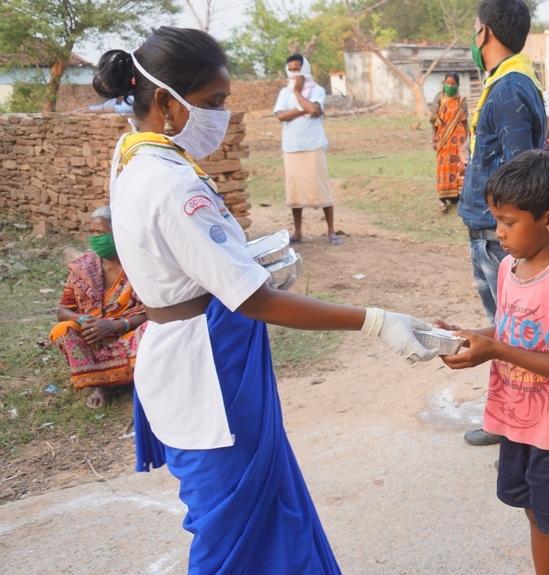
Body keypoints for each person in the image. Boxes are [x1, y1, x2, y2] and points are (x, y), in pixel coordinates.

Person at [92, 27, 438, 573]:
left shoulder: (134, 158)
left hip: (181, 348)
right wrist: (376, 321)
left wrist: (236, 261)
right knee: (232, 530)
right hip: (210, 369)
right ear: (165, 102)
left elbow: (180, 263)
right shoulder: (173, 185)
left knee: (252, 513)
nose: (221, 115)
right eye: (213, 103)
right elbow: (254, 301)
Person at [440, 150, 549, 575]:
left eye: (509, 222)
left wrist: (496, 351)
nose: (499, 232)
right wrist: (468, 336)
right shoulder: (509, 268)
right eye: (497, 220)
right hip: (517, 423)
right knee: (532, 512)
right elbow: (507, 331)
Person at [458, 0, 546, 446]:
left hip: (498, 236)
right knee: (506, 329)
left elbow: (521, 175)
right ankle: (514, 419)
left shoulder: (509, 89)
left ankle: (521, 425)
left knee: (510, 333)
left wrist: (514, 241)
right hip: (492, 231)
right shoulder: (508, 82)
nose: (474, 38)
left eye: (475, 29)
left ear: (486, 33)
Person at [49, 207, 148, 408]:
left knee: (151, 331)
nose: (95, 238)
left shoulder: (139, 264)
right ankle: (101, 384)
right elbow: (63, 310)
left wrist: (116, 326)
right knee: (62, 330)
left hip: (127, 330)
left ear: (118, 232)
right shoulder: (83, 266)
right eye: (92, 232)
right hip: (93, 333)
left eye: (100, 233)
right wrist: (86, 321)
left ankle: (139, 381)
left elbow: (153, 310)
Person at [273, 54, 341, 245]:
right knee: (295, 190)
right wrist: (303, 109)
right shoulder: (283, 93)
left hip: (313, 145)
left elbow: (315, 111)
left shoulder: (317, 90)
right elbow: (281, 116)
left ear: (305, 69)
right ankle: (298, 232)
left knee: (321, 187)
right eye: (291, 69)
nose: (294, 72)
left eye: (297, 68)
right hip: (292, 147)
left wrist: (297, 93)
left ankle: (331, 231)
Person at [431, 72, 469, 213]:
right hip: (443, 141)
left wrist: (468, 140)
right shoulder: (439, 99)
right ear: (444, 83)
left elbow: (465, 122)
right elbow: (433, 121)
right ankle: (443, 198)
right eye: (448, 83)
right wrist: (434, 138)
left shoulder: (461, 101)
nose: (450, 86)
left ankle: (456, 197)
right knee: (443, 169)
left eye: (453, 84)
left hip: (458, 143)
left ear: (457, 85)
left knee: (458, 168)